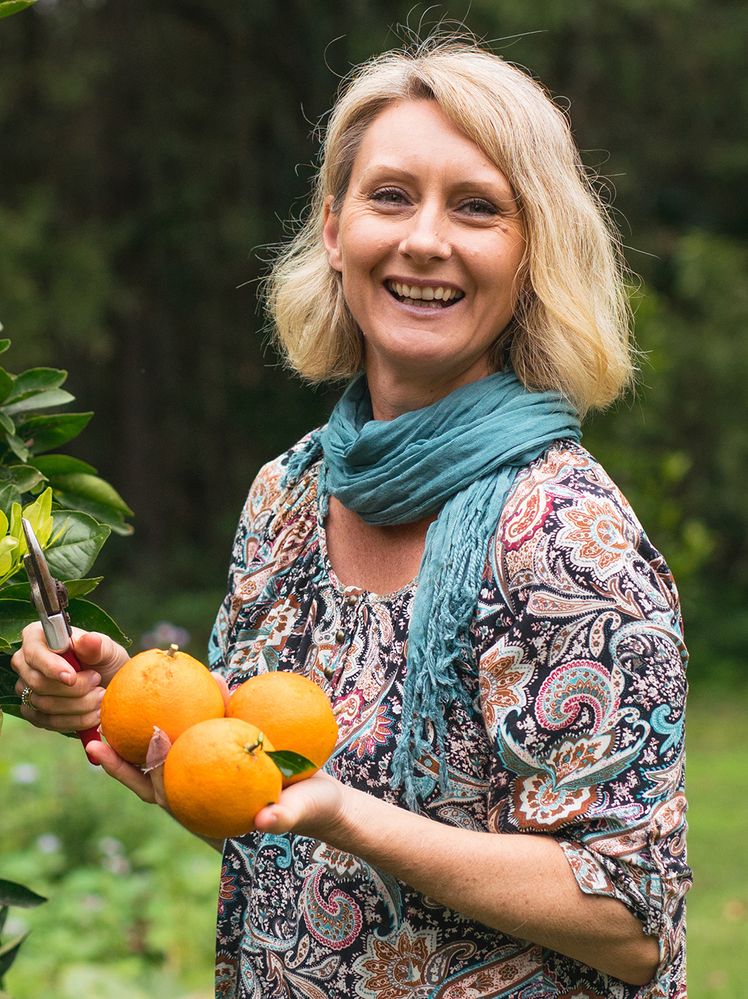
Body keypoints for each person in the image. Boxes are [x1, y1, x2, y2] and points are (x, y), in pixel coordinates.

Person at [12, 36, 690, 999]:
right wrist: (135, 707)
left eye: (477, 207)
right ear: (334, 229)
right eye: (390, 196)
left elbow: (634, 919)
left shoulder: (566, 534)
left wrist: (346, 815)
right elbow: (266, 815)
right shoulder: (287, 495)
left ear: (532, 250)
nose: (424, 239)